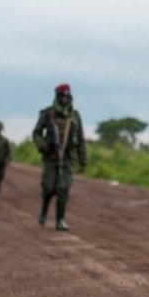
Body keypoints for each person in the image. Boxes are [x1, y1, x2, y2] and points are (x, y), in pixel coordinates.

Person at [32, 83, 87, 230]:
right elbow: (36, 133)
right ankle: (44, 209)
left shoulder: (75, 116)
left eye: (67, 96)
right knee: (49, 187)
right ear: (57, 97)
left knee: (63, 188)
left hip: (68, 156)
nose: (64, 99)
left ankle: (60, 220)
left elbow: (81, 139)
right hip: (51, 156)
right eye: (62, 96)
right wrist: (42, 145)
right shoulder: (48, 114)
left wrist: (83, 160)